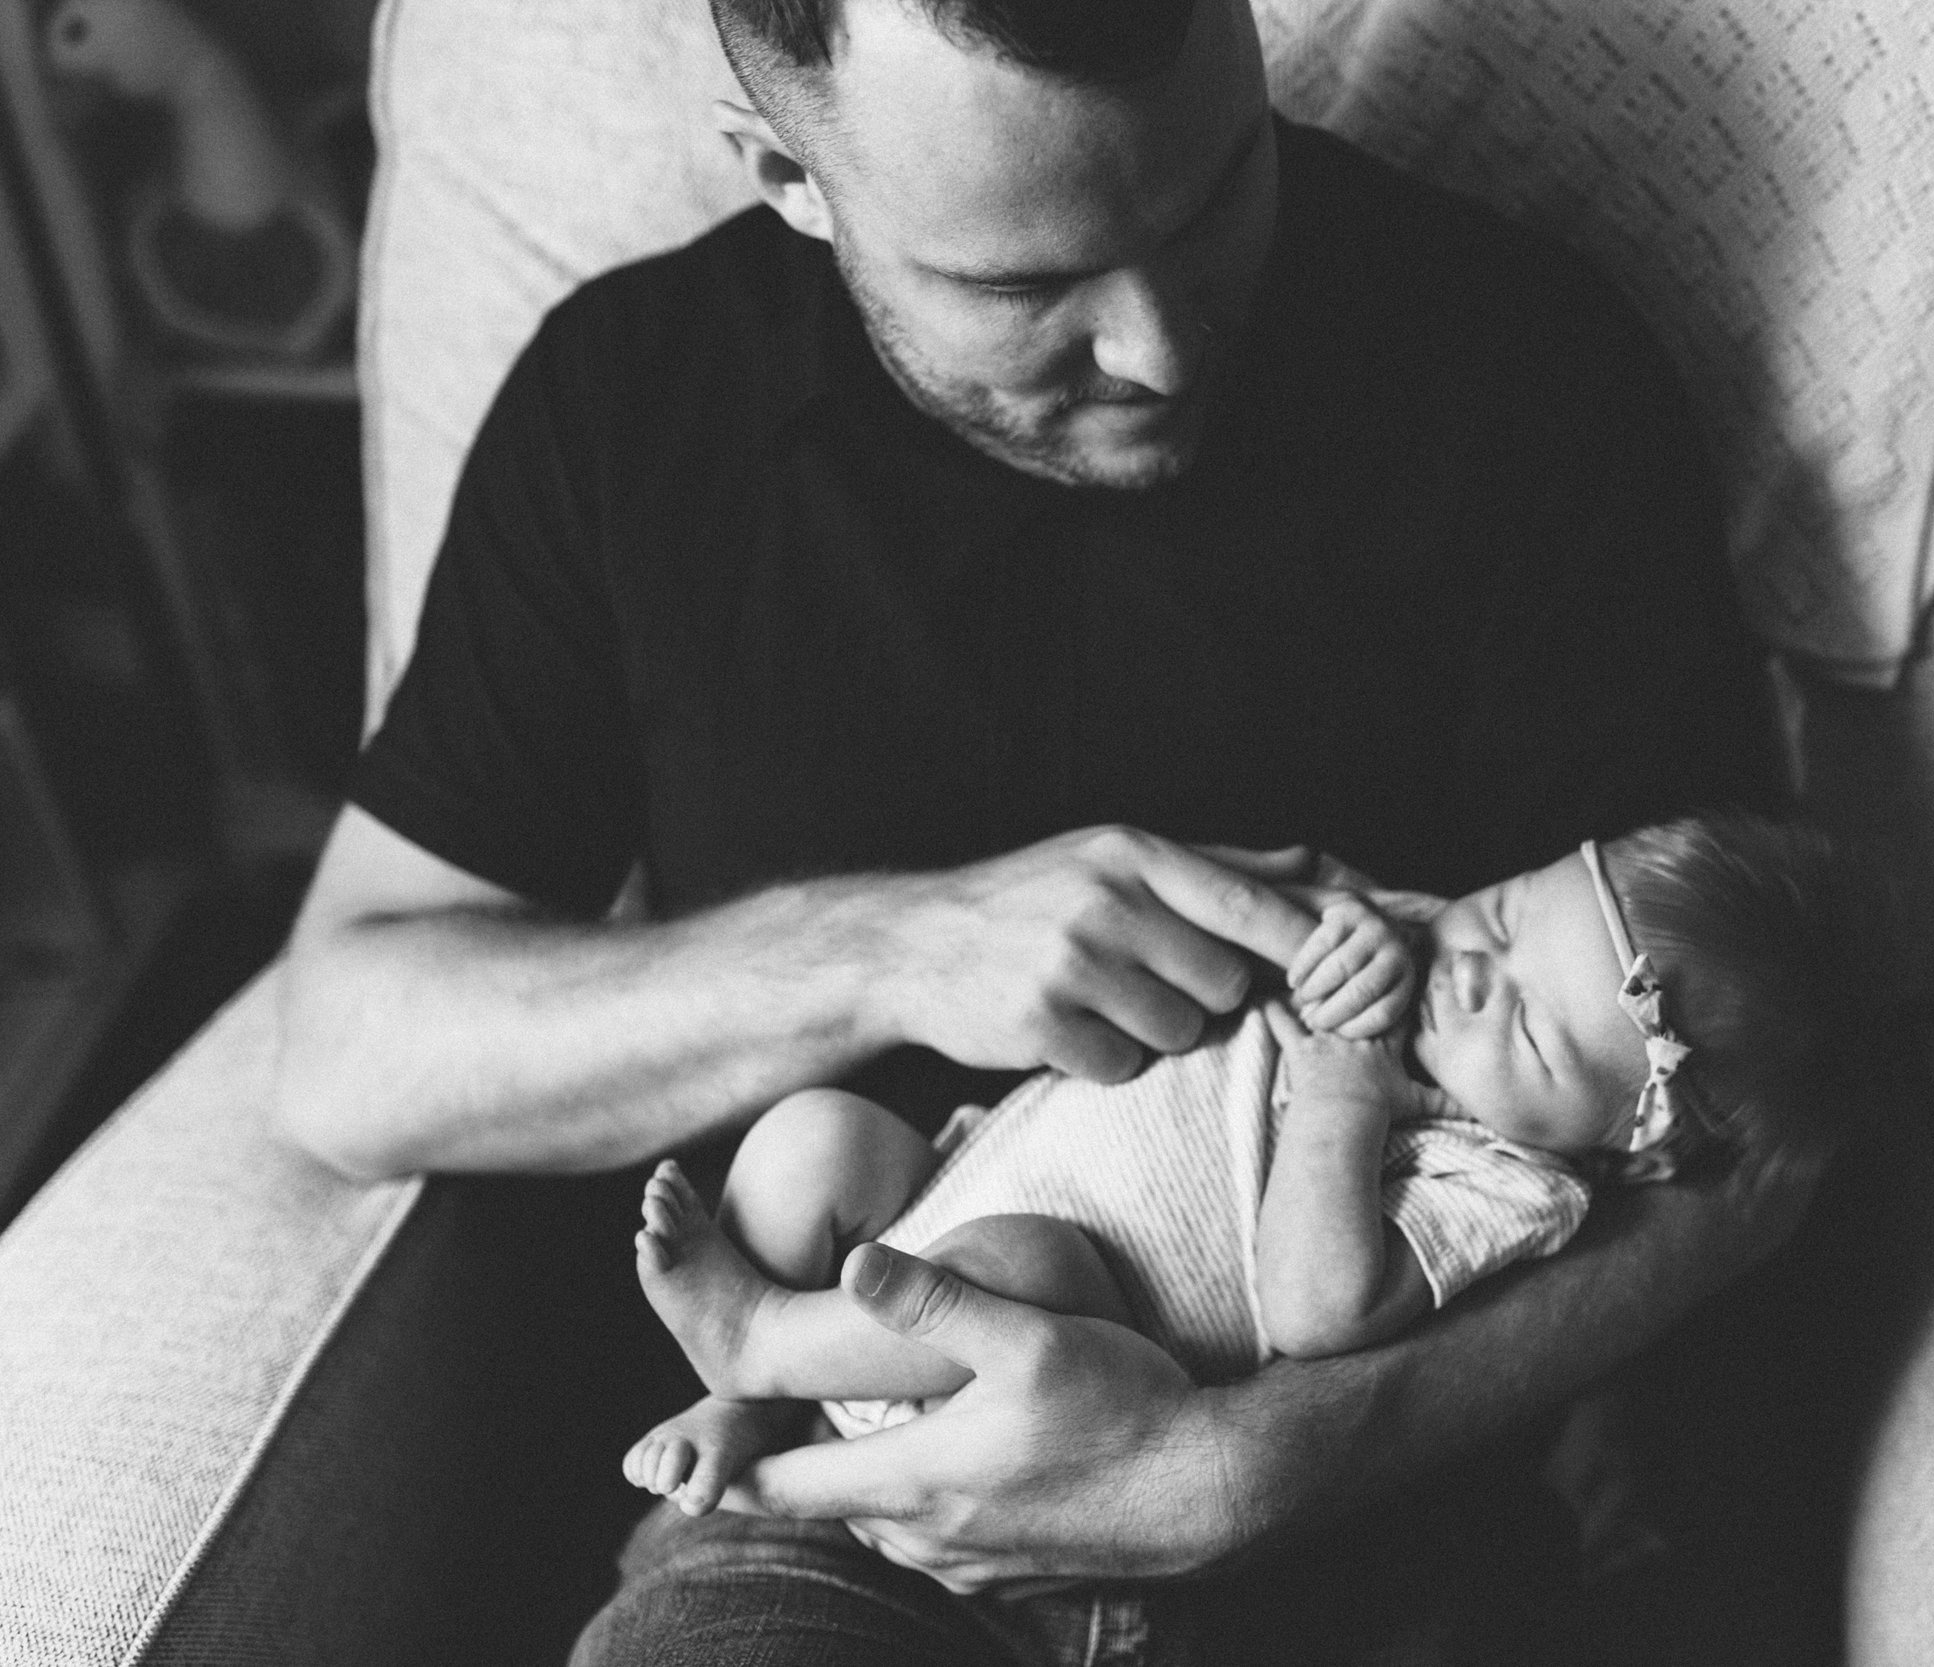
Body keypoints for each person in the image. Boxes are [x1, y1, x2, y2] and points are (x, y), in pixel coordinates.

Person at [272, 0, 1818, 1652]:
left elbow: (1761, 1121)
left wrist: (1253, 1462)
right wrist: (883, 952)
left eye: (1216, 195)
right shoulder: (632, 408)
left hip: (1382, 1522)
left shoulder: (1519, 365)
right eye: (1026, 288)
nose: (1160, 349)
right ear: (790, 178)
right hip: (828, 1508)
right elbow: (350, 1046)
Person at [622, 817, 1879, 1520]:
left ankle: (766, 1339)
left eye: (1534, 1031)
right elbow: (1279, 906)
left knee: (1022, 1261)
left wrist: (1340, 1098)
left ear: (1627, 1141)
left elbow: (1320, 1307)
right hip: (938, 1179)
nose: (1472, 972)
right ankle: (751, 1394)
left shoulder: (1512, 1179)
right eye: (1503, 912)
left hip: (1029, 1373)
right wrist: (1341, 932)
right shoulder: (1412, 945)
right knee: (817, 1137)